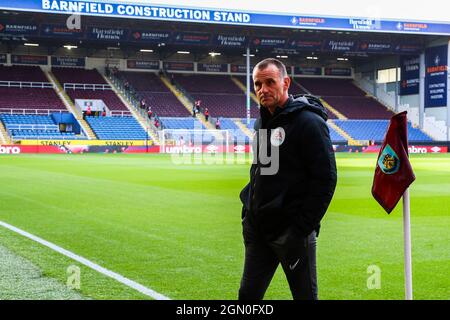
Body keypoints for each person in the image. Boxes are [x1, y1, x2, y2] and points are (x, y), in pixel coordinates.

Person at [238, 58, 337, 300]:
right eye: (258, 84)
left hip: (292, 233)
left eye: (270, 82)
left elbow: (326, 179)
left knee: (304, 297)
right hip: (259, 231)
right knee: (247, 298)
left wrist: (300, 229)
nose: (263, 89)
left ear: (285, 83)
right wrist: (249, 212)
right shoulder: (261, 122)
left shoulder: (309, 122)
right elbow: (261, 170)